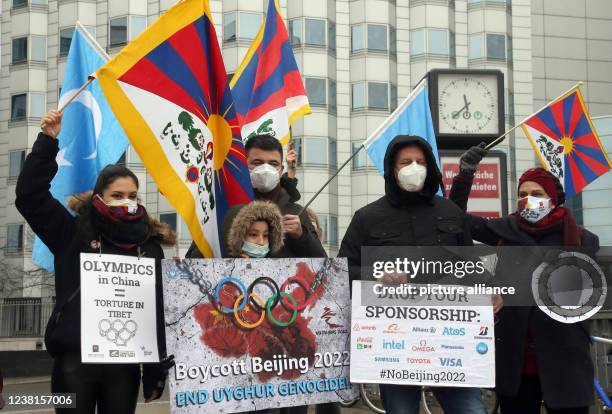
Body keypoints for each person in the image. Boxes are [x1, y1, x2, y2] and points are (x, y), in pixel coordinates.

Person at [15, 110, 174, 414]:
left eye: (132, 195)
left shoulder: (149, 247)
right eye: (117, 195)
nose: (126, 201)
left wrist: (155, 373)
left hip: (123, 368)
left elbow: (157, 313)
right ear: (99, 198)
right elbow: (29, 196)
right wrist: (47, 141)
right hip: (74, 365)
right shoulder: (72, 232)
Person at [338, 135, 487, 414]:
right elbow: (342, 272)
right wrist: (376, 275)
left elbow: (472, 268)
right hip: (394, 346)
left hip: (450, 344)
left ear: (430, 167)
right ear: (392, 170)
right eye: (406, 162)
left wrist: (490, 292)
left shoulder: (451, 212)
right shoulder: (367, 217)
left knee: (470, 410)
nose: (413, 167)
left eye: (420, 162)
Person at [450, 146, 599, 414]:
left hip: (565, 359)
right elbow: (455, 219)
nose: (528, 200)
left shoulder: (583, 239)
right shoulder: (504, 230)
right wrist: (465, 175)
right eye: (522, 195)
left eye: (536, 194)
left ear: (553, 200)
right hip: (518, 361)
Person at [187, 134, 326, 259]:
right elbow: (192, 261)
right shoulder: (224, 210)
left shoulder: (296, 213)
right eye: (257, 163)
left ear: (281, 169)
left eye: (273, 164)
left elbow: (324, 265)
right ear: (244, 165)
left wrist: (302, 235)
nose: (265, 169)